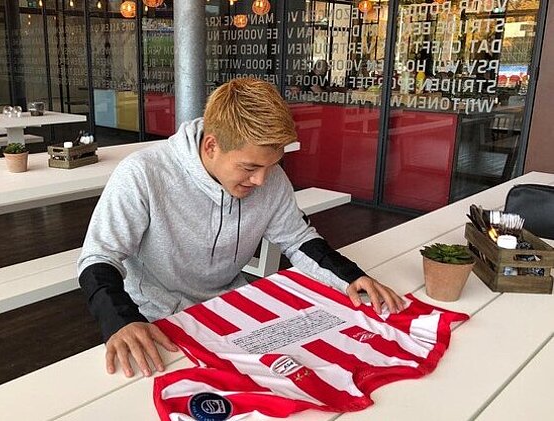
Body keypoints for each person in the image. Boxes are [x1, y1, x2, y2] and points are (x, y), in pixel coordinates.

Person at [77, 77, 403, 379]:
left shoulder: (270, 179)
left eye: (271, 166)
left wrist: (349, 276)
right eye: (250, 167)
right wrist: (120, 320)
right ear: (211, 146)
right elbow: (99, 257)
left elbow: (298, 239)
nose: (261, 180)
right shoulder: (143, 173)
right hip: (154, 316)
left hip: (232, 306)